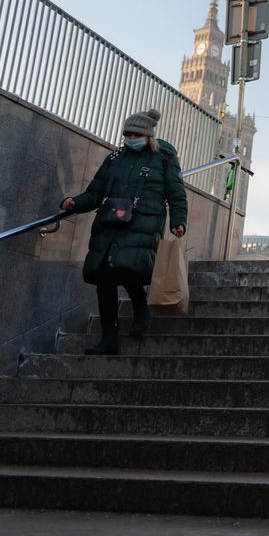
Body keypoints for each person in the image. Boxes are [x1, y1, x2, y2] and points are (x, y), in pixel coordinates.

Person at [60, 109, 188, 356]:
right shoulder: (116, 158)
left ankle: (141, 309)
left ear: (147, 135)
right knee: (104, 278)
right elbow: (95, 192)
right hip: (110, 223)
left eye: (135, 133)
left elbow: (176, 193)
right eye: (126, 134)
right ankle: (109, 338)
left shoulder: (163, 158)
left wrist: (178, 221)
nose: (130, 138)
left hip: (142, 223)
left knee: (128, 270)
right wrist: (74, 203)